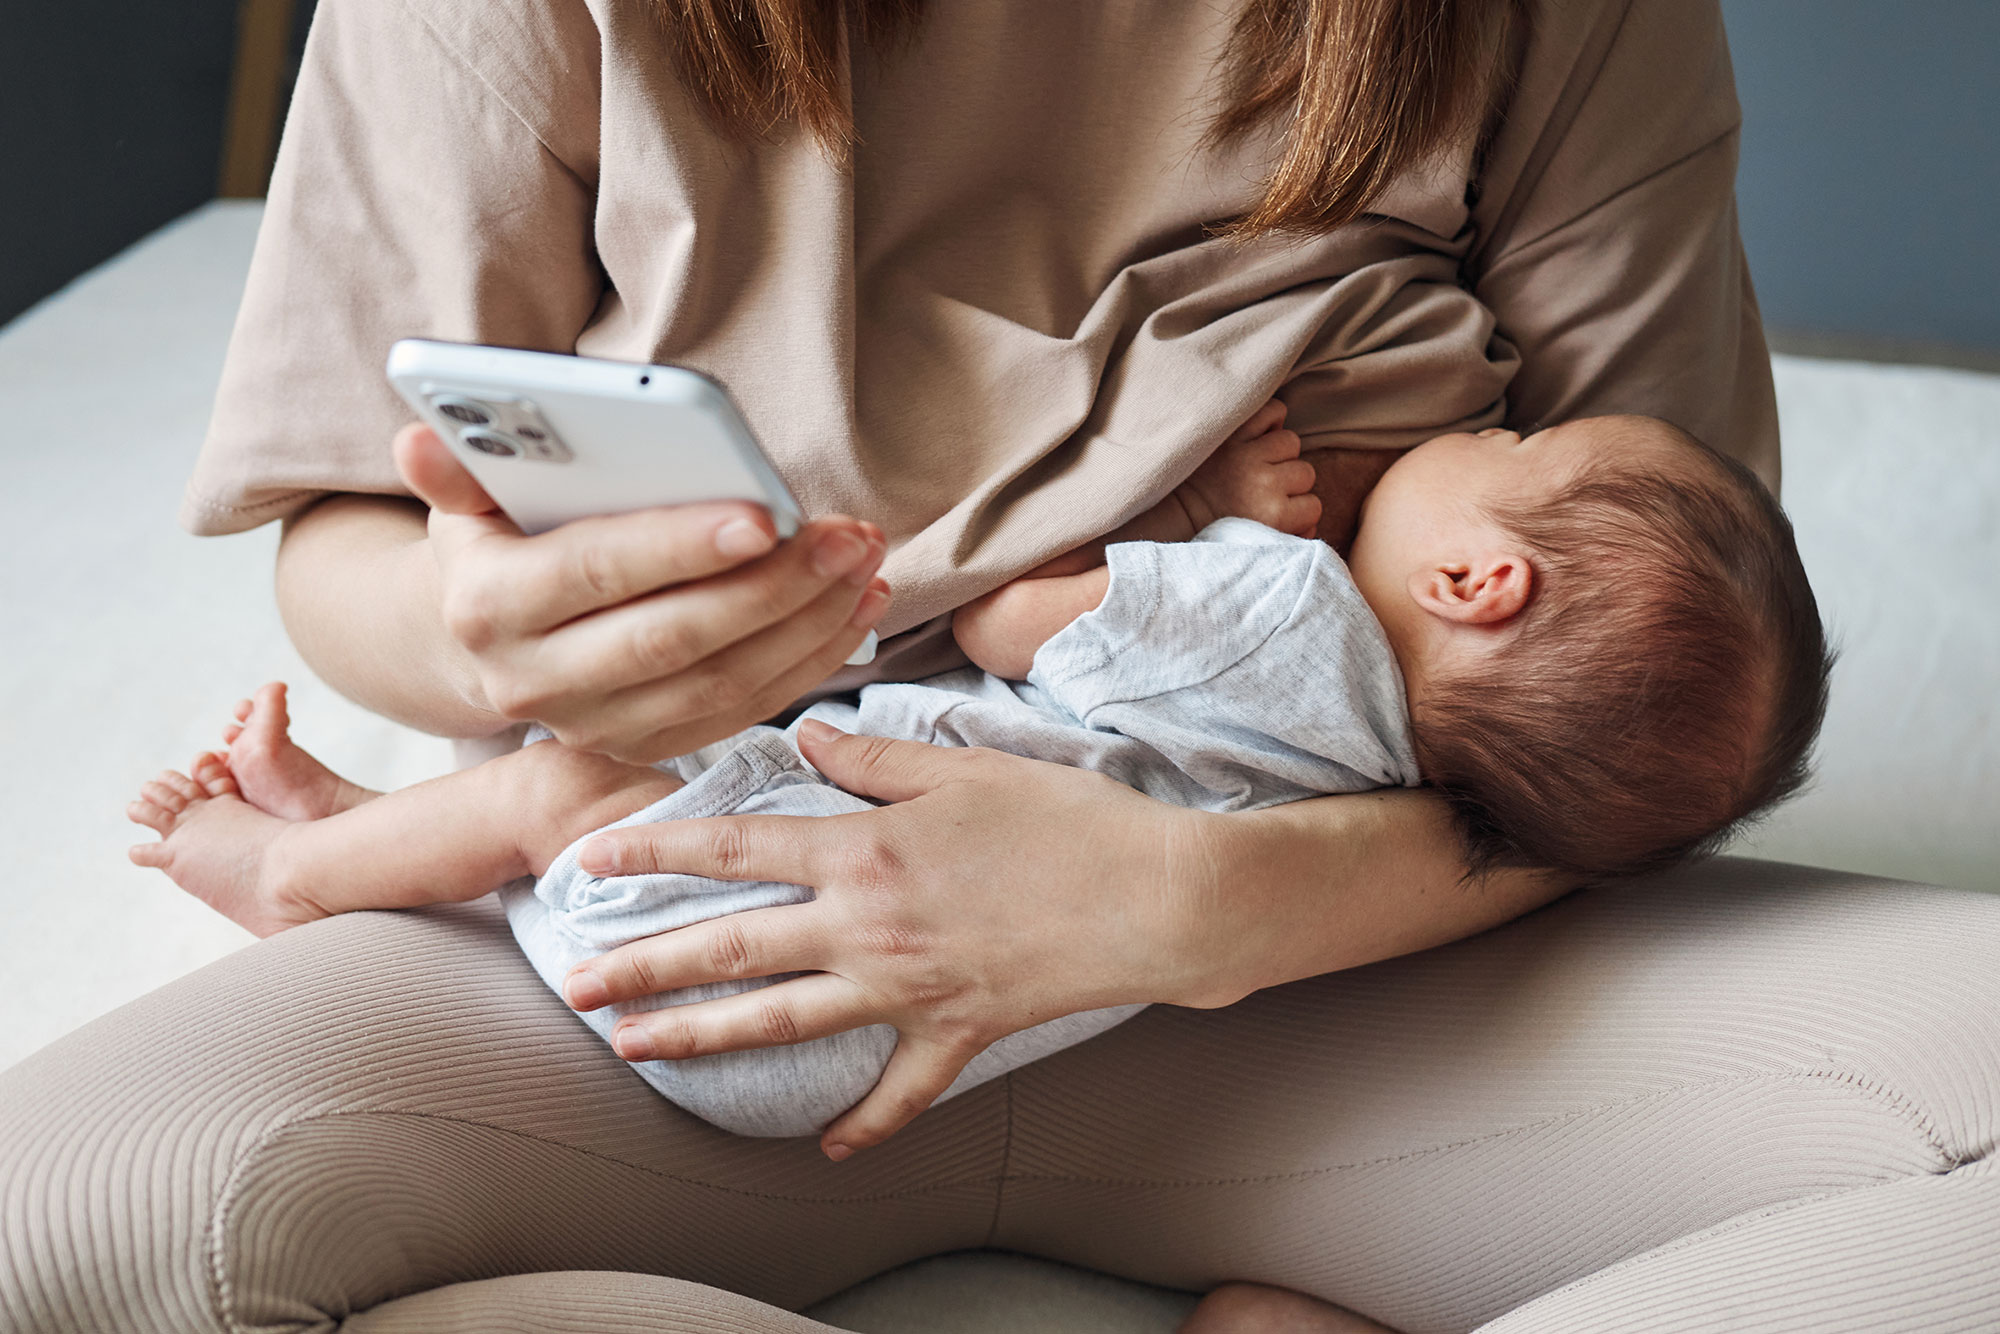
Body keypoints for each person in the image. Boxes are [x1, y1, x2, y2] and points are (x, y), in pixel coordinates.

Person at [5, 0, 1996, 1331]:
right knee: (74, 1226)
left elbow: (1656, 706)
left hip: (1364, 962)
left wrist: (1204, 897)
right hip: (715, 945)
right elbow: (343, 534)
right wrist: (461, 627)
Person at [123, 410, 1830, 1144]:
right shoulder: (1400, 773)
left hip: (771, 941)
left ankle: (306, 864)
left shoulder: (1282, 602)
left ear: (1480, 579)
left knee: (578, 786)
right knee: (587, 827)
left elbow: (1021, 625)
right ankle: (381, 838)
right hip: (867, 1060)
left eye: (1516, 449)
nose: (1493, 435)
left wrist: (1191, 519)